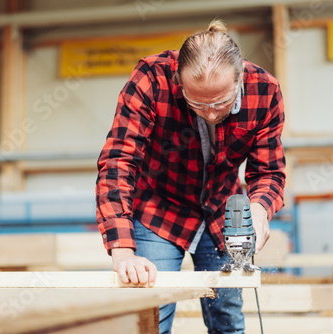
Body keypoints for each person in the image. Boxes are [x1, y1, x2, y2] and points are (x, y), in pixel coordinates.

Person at [96, 19, 285, 334]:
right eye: (198, 103)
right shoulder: (150, 80)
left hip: (221, 212)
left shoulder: (265, 91)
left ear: (241, 79)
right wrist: (122, 250)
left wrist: (260, 209)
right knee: (151, 315)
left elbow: (268, 170)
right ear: (178, 81)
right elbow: (119, 162)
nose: (211, 113)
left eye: (222, 103)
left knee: (226, 317)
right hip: (158, 209)